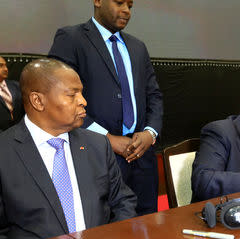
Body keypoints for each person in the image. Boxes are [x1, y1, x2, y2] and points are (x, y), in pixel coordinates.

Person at [0, 58, 137, 239]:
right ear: (38, 101)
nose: (83, 101)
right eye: (72, 94)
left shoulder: (98, 145)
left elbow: (123, 202)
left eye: (81, 93)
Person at [48, 0, 163, 216]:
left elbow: (154, 96)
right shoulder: (71, 39)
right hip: (94, 155)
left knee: (147, 230)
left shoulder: (138, 47)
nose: (126, 11)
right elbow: (61, 98)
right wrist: (106, 138)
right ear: (98, 1)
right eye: (119, 3)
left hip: (142, 156)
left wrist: (150, 133)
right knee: (104, 232)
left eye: (130, 5)